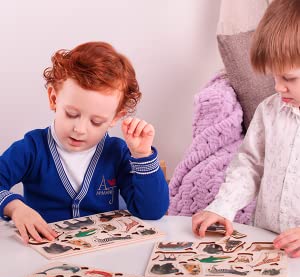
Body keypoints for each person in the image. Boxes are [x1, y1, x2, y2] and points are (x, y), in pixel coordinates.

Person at [0, 41, 169, 243]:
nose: (79, 129)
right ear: (54, 98)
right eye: (71, 114)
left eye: (96, 121)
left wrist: (142, 156)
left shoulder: (116, 152)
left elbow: (152, 211)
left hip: (104, 256)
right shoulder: (32, 148)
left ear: (115, 117)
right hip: (43, 256)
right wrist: (16, 207)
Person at [192, 0, 300, 258]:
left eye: (289, 78)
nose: (278, 87)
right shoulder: (270, 110)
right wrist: (222, 207)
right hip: (267, 242)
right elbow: (249, 165)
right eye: (273, 76)